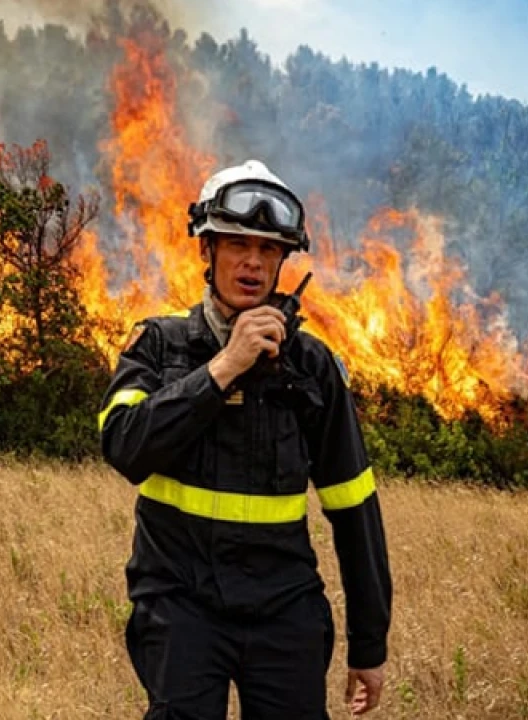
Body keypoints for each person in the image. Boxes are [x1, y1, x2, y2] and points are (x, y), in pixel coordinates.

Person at [98, 159, 393, 719]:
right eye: (236, 244)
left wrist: (369, 645)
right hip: (179, 601)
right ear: (206, 251)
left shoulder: (313, 367)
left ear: (284, 261)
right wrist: (223, 368)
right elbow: (124, 446)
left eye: (269, 248)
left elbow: (355, 509)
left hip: (283, 608)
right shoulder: (158, 347)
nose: (253, 262)